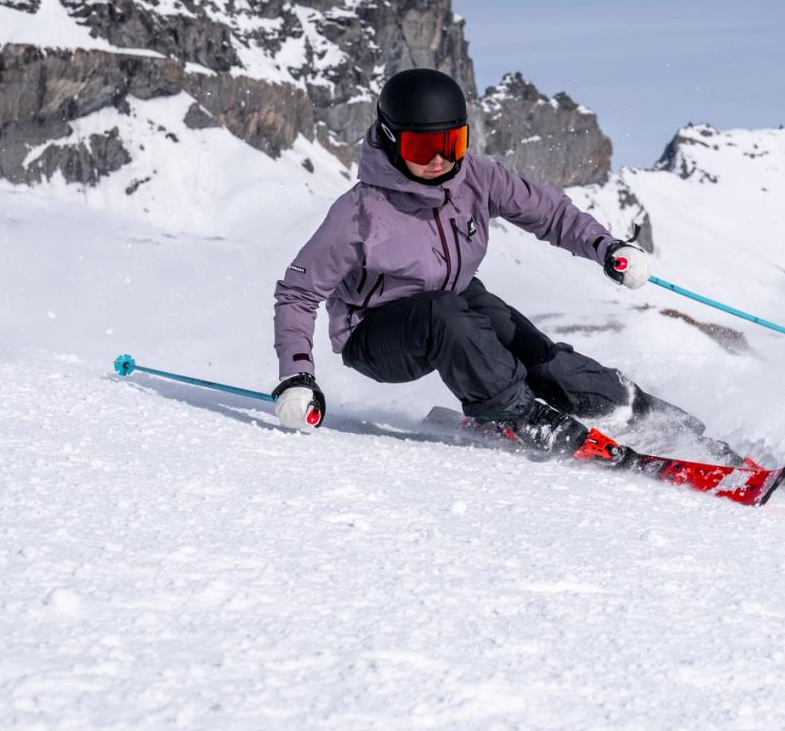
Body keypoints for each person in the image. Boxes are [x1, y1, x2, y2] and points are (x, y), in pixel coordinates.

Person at [270, 67, 710, 459]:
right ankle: (515, 416)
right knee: (444, 316)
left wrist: (607, 248)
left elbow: (549, 212)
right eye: (423, 148)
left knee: (528, 346)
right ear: (390, 139)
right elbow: (298, 293)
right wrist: (296, 378)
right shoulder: (360, 212)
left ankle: (641, 415)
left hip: (453, 301)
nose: (440, 159)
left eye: (451, 142)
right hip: (374, 335)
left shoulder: (475, 177)